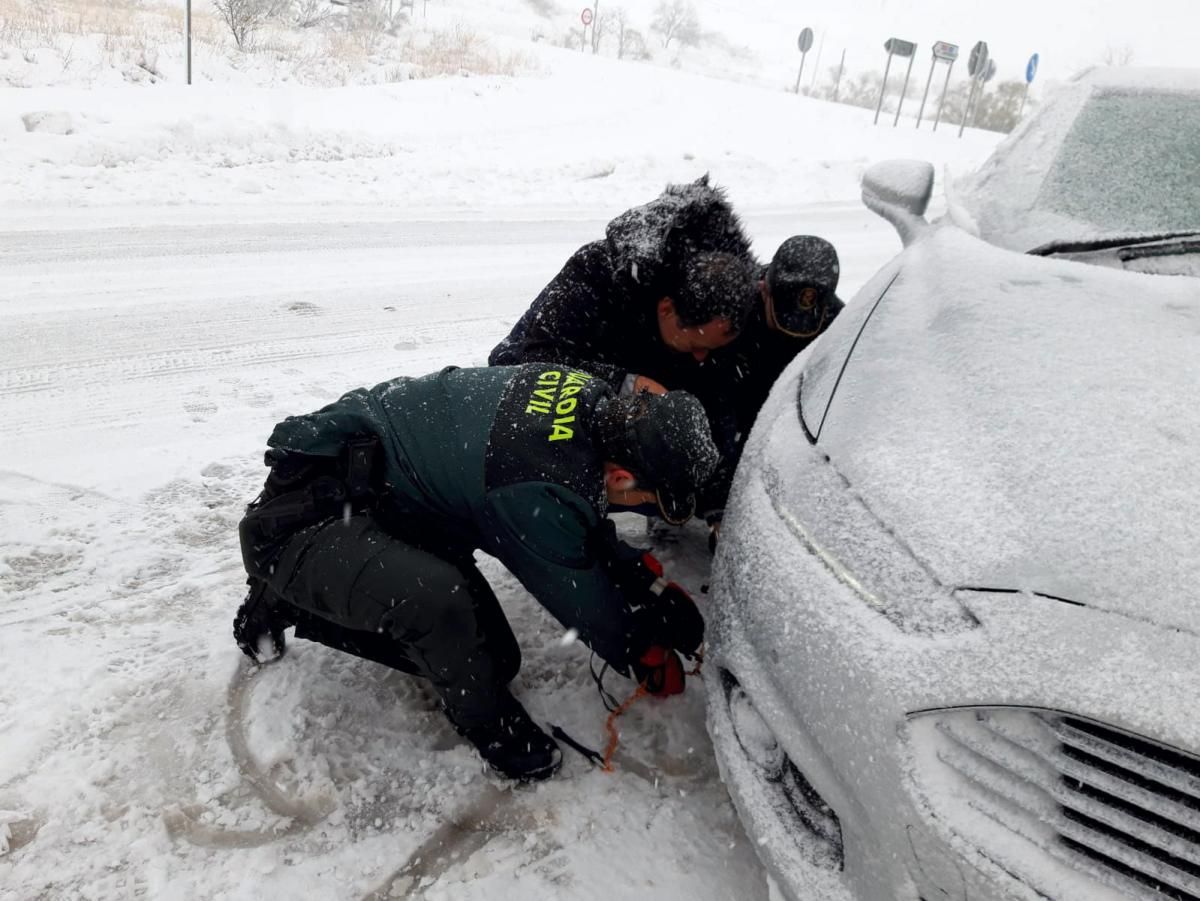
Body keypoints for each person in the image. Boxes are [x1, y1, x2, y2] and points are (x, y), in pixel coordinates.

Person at [233, 364, 717, 782]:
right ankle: (288, 597)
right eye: (647, 501)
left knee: (494, 659)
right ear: (620, 477)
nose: (638, 509)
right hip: (308, 519)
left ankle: (319, 585)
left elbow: (579, 520)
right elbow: (575, 590)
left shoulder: (591, 401)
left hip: (386, 501)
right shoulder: (531, 482)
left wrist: (647, 583)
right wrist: (639, 648)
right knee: (440, 608)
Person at [490, 176, 844, 532]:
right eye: (696, 345)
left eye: (712, 349)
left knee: (675, 466)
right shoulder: (595, 276)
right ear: (666, 309)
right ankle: (564, 515)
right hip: (536, 402)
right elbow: (517, 362)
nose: (703, 357)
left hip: (632, 387)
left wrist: (719, 502)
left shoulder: (729, 300)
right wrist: (623, 383)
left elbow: (723, 407)